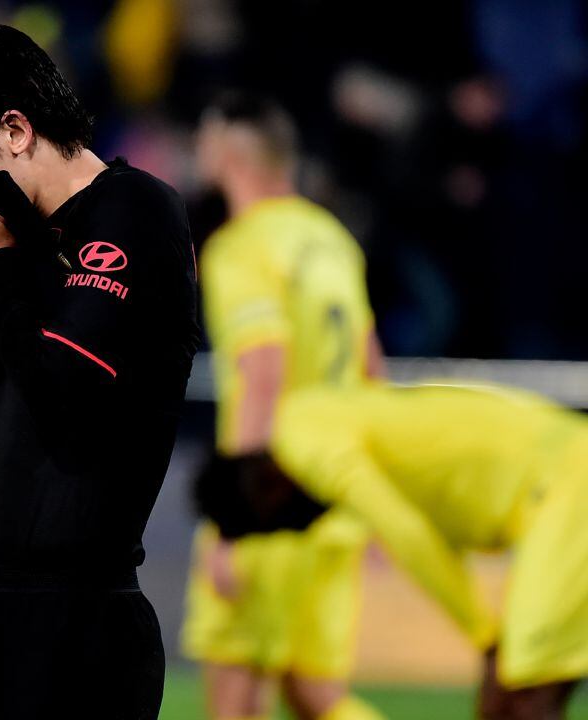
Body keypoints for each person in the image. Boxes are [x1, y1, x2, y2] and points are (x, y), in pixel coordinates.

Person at [0, 23, 201, 720]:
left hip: (87, 627)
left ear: (16, 131)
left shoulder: (138, 211)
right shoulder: (4, 241)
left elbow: (71, 407)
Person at [200, 381, 588, 720]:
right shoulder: (304, 413)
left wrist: (484, 632)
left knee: (517, 698)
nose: (301, 531)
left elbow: (407, 534)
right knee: (507, 699)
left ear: (266, 494)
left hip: (566, 488)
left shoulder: (316, 456)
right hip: (562, 474)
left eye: (280, 528)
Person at [180, 92, 386, 720]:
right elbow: (371, 366)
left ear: (228, 155)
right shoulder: (332, 240)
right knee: (313, 695)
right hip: (334, 499)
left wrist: (232, 519)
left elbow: (264, 371)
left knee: (235, 697)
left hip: (270, 501)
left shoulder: (242, 248)